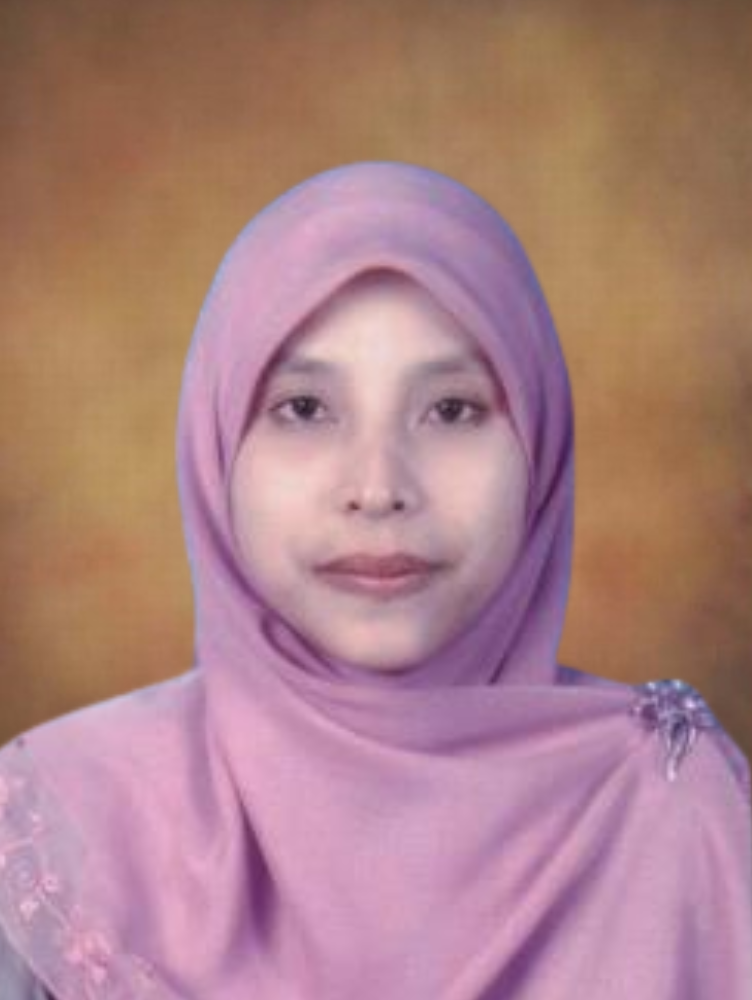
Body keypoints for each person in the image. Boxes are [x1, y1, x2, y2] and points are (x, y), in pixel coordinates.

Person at [0, 162, 749, 998]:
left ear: (541, 448)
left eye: (453, 409)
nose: (378, 486)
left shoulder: (671, 806)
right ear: (216, 451)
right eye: (305, 409)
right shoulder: (61, 830)